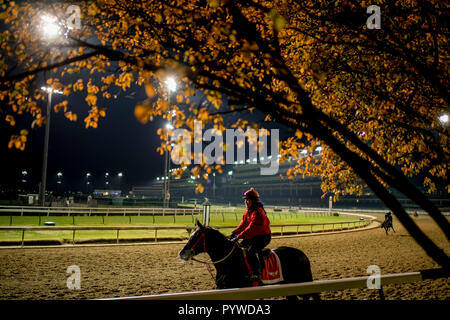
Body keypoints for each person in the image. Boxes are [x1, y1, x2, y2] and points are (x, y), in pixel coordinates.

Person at [229, 188, 271, 282]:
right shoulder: (248, 211)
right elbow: (243, 225)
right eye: (245, 200)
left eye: (248, 200)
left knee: (251, 250)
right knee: (239, 248)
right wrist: (234, 232)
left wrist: (239, 236)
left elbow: (252, 229)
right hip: (253, 236)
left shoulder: (258, 212)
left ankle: (257, 273)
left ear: (253, 201)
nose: (246, 202)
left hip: (263, 237)